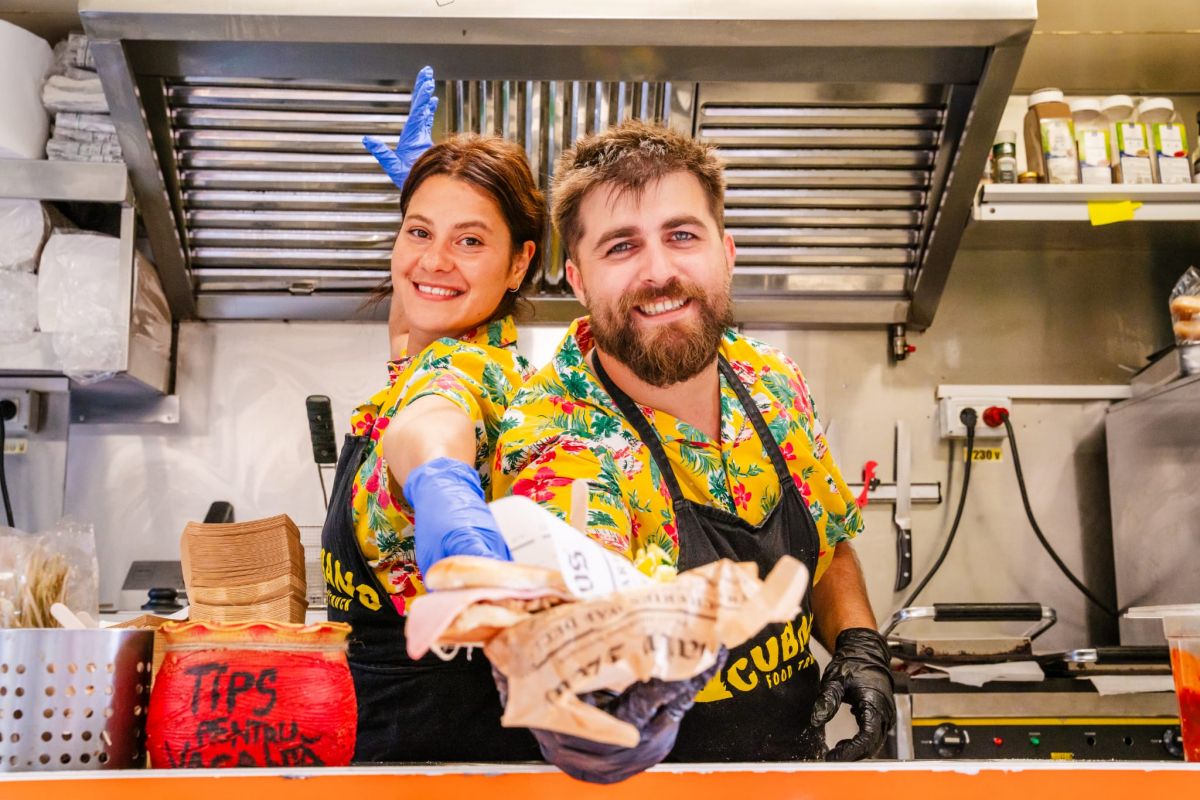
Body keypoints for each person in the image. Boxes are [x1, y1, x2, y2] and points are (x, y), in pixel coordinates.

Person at [493, 120, 895, 769]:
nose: (659, 272)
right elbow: (572, 621)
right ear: (578, 279)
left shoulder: (772, 380)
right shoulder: (552, 435)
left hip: (794, 773)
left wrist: (859, 643)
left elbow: (826, 546)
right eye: (621, 246)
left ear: (726, 251)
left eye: (682, 235)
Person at [320, 67, 545, 763]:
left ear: (520, 264)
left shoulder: (469, 369)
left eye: (471, 242)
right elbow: (414, 311)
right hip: (394, 744)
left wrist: (441, 481)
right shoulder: (422, 350)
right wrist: (432, 194)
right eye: (418, 231)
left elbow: (433, 420)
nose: (435, 261)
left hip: (449, 761)